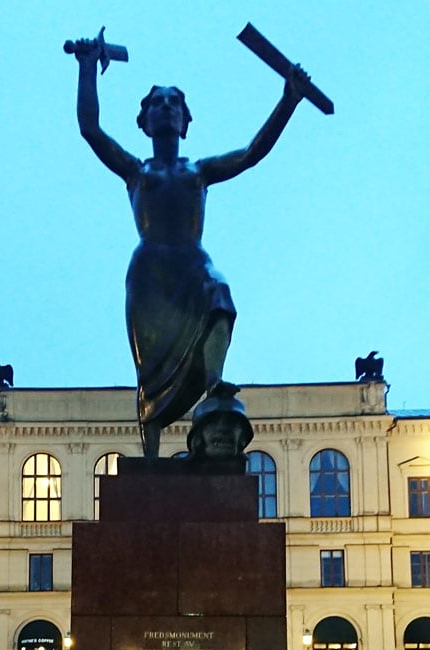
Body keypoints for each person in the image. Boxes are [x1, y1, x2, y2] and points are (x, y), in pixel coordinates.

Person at [72, 38, 309, 457]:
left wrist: (288, 100)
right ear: (143, 123)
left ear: (185, 122)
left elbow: (254, 152)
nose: (166, 107)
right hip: (149, 273)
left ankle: (214, 380)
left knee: (220, 295)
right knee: (150, 367)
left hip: (192, 263)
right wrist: (88, 66)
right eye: (157, 103)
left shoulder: (199, 172)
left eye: (174, 103)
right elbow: (90, 129)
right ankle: (149, 459)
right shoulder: (135, 170)